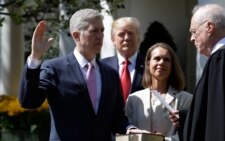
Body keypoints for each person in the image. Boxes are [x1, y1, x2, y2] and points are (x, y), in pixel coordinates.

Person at [18, 9, 141, 141]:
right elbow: (29, 101)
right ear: (76, 35)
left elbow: (116, 118)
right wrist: (35, 57)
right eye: (94, 31)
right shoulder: (54, 68)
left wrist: (131, 129)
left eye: (102, 30)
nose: (100, 36)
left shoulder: (110, 73)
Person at [183, 4, 225, 141]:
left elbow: (219, 119)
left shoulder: (222, 59)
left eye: (194, 31)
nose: (191, 38)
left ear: (209, 27)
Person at [125, 43, 193, 141]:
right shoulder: (133, 99)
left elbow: (190, 133)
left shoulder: (186, 99)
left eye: (166, 60)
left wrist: (163, 140)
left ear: (172, 66)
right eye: (157, 58)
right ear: (148, 63)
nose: (161, 62)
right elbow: (128, 134)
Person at [101, 17, 145, 102]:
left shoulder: (149, 65)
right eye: (121, 34)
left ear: (138, 38)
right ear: (113, 40)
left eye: (131, 33)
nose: (127, 38)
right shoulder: (102, 66)